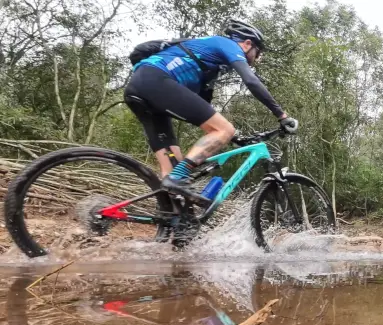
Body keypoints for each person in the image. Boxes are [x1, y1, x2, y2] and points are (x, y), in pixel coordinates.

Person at [124, 19, 298, 206]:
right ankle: (178, 180)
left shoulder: (209, 67)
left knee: (172, 173)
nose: (258, 58)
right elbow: (251, 81)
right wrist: (282, 116)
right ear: (247, 44)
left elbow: (203, 109)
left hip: (140, 89)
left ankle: (174, 225)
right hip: (154, 80)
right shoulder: (227, 44)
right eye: (258, 51)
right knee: (222, 131)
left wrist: (234, 138)